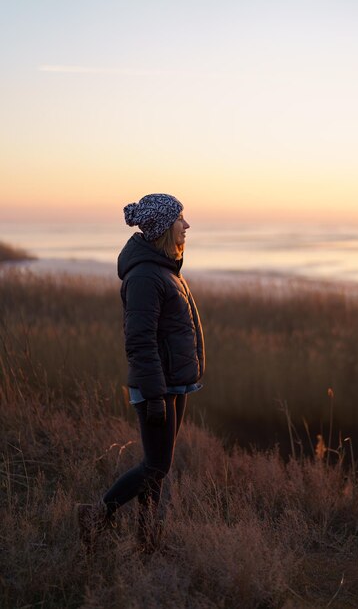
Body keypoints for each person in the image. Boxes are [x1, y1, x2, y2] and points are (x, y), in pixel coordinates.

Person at [77, 193, 205, 549]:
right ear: (165, 227)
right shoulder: (146, 277)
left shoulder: (164, 270)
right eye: (181, 219)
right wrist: (153, 395)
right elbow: (140, 341)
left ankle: (147, 539)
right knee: (156, 467)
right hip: (158, 386)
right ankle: (96, 515)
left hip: (173, 384)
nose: (187, 225)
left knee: (157, 466)